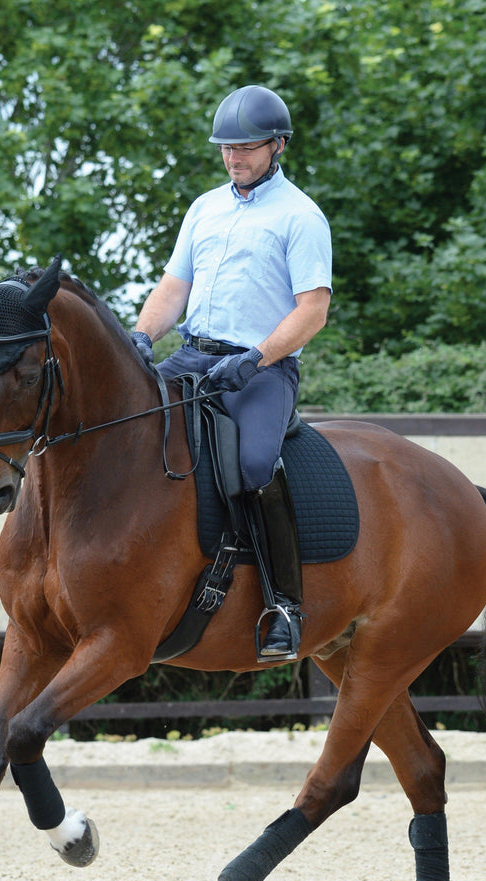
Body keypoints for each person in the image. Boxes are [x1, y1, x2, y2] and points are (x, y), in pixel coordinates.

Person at [132, 85, 332, 662]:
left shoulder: (301, 216)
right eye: (226, 147)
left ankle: (285, 606)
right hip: (194, 354)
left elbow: (312, 309)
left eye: (245, 147)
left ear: (278, 146)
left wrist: (256, 359)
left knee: (252, 464)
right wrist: (143, 336)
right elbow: (174, 288)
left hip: (261, 369)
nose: (233, 157)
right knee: (132, 425)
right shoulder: (205, 208)